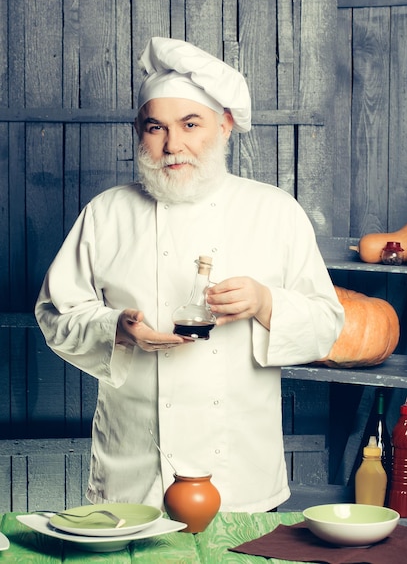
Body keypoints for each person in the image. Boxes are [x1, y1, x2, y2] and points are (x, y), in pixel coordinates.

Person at [35, 37, 344, 513]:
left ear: (223, 127)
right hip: (133, 469)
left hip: (240, 470)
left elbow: (327, 325)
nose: (172, 145)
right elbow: (57, 313)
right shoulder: (107, 212)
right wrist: (116, 327)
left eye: (190, 124)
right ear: (139, 131)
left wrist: (265, 303)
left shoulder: (274, 211)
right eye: (155, 127)